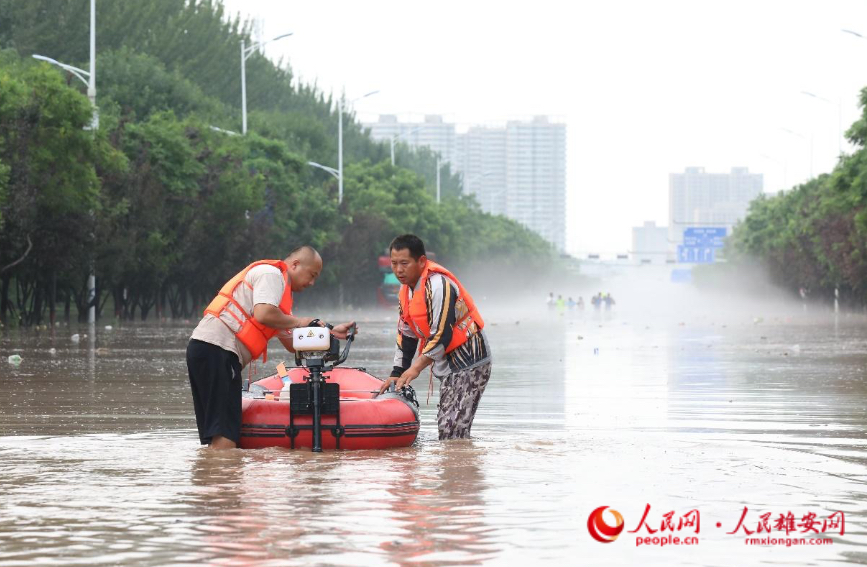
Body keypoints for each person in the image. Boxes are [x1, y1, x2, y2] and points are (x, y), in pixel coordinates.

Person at [186, 246, 355, 450]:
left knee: (218, 432)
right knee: (224, 432)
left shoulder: (279, 304)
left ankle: (215, 475)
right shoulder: (271, 275)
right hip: (217, 350)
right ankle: (224, 476)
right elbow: (264, 314)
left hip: (212, 351)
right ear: (295, 264)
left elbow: (293, 344)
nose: (312, 283)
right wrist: (301, 321)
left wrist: (331, 333)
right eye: (312, 275)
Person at [378, 234, 492, 440]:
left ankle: (462, 467)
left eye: (404, 263)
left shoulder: (439, 285)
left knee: (451, 429)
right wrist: (397, 372)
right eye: (394, 264)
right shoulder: (406, 292)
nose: (398, 270)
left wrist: (414, 369)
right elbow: (406, 335)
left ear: (421, 261)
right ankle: (456, 467)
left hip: (470, 361)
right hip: (447, 365)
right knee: (448, 427)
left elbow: (442, 335)